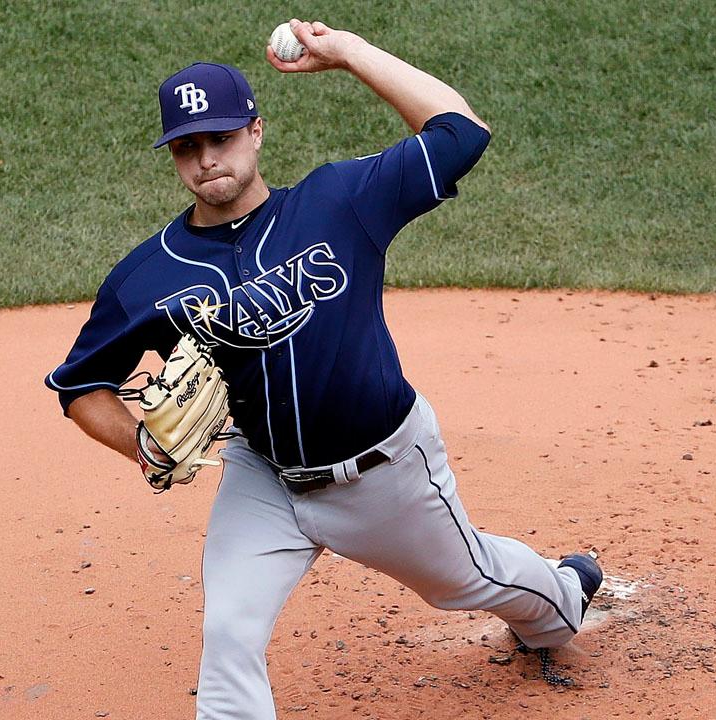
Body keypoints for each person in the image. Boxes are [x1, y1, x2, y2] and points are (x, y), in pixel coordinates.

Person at [44, 19, 603, 720]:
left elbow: (462, 133)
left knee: (470, 578)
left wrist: (346, 53)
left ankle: (562, 593)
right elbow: (79, 386)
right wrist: (141, 444)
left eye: (219, 138)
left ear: (256, 132)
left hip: (384, 472)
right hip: (263, 477)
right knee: (228, 635)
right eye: (186, 147)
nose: (205, 159)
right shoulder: (147, 274)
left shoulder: (340, 202)